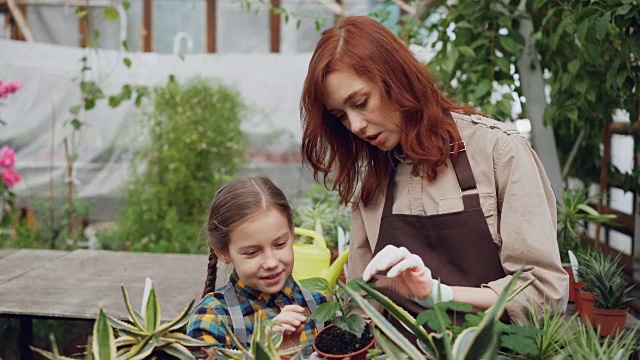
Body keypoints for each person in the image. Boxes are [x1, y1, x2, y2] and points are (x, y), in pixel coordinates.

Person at [299, 16, 568, 334]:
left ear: (397, 79)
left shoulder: (497, 151)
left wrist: (438, 296)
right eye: (341, 116)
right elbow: (364, 306)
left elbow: (543, 295)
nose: (355, 126)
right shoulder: (373, 179)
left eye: (361, 102)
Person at [187, 176, 326, 353]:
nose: (271, 262)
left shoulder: (319, 306)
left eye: (280, 244)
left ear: (292, 233)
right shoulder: (213, 319)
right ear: (222, 252)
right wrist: (265, 353)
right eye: (252, 252)